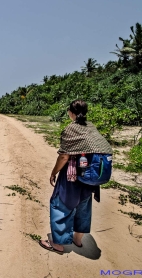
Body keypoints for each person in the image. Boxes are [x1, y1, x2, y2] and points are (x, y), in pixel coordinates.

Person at [40, 100, 113, 254]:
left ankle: (58, 244)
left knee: (60, 205)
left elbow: (64, 157)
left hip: (72, 177)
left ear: (70, 112)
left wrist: (54, 172)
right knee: (83, 207)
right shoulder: (91, 127)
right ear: (85, 112)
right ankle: (77, 239)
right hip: (90, 176)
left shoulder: (71, 129)